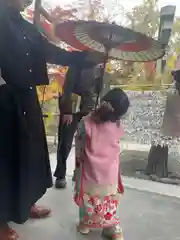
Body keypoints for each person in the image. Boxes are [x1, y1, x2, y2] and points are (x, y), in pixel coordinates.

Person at [0, 0, 101, 239]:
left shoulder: (26, 27)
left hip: (26, 95)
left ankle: (24, 203)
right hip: (2, 95)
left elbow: (50, 52)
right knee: (5, 157)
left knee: (31, 152)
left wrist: (87, 58)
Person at [74, 88, 130, 240]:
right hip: (110, 175)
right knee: (108, 201)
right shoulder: (117, 125)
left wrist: (77, 169)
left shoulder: (85, 122)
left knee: (87, 198)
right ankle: (111, 227)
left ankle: (85, 224)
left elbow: (79, 147)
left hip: (89, 173)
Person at [54, 65, 102, 189]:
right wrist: (67, 111)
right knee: (65, 142)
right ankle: (60, 175)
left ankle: (80, 172)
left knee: (86, 143)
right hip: (73, 108)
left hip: (88, 108)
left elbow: (97, 91)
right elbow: (67, 88)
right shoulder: (78, 65)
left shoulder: (100, 68)